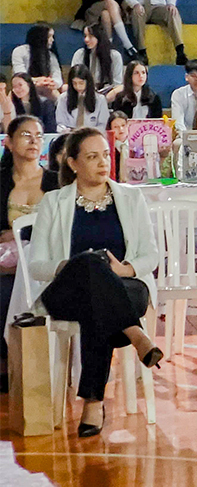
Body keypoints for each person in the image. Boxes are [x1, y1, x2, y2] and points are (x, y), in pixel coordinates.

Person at [27, 127, 163, 437]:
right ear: (73, 163)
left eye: (105, 154)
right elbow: (37, 265)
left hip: (126, 286)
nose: (103, 162)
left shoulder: (130, 197)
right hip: (66, 292)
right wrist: (76, 266)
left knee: (97, 303)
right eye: (92, 157)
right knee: (90, 263)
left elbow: (151, 256)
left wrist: (123, 270)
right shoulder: (54, 201)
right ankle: (134, 332)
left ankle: (93, 401)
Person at [0, 116, 60, 387]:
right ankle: (6, 362)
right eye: (26, 135)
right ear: (9, 143)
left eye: (38, 135)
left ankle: (39, 363)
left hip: (43, 260)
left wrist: (20, 233)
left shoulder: (56, 182)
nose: (34, 140)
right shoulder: (1, 182)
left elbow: (61, 228)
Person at [11, 23, 64, 100]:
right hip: (25, 87)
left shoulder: (51, 56)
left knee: (56, 96)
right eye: (49, 37)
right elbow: (20, 75)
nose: (52, 40)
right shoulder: (20, 51)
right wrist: (37, 81)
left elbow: (58, 77)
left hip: (45, 88)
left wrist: (51, 83)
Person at [71, 24, 123, 97]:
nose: (86, 39)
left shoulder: (114, 56)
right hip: (84, 92)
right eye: (85, 36)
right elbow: (74, 78)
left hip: (107, 94)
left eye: (90, 36)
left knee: (121, 88)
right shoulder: (80, 54)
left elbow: (117, 83)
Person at [56, 65, 110, 132]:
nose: (78, 87)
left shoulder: (100, 100)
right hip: (70, 137)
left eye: (81, 83)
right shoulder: (63, 99)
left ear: (88, 82)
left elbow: (102, 126)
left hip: (92, 137)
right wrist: (66, 130)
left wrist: (87, 133)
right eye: (74, 83)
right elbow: (60, 123)